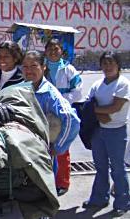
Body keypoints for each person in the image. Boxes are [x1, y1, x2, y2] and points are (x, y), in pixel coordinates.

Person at [82, 52, 130, 216]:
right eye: (105, 63)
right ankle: (99, 198)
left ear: (118, 65)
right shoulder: (97, 84)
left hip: (116, 131)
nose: (108, 67)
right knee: (100, 167)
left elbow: (115, 108)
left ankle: (123, 202)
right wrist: (102, 114)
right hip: (99, 131)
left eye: (111, 63)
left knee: (118, 168)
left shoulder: (123, 84)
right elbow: (88, 105)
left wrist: (96, 111)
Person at [21, 50, 80, 165]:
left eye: (34, 66)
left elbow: (71, 120)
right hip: (24, 150)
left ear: (43, 67)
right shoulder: (20, 89)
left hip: (43, 156)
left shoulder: (50, 94)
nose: (29, 70)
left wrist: (57, 147)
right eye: (25, 66)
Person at [44, 38, 83, 196]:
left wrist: (59, 100)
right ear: (45, 51)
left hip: (63, 116)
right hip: (44, 115)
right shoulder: (41, 67)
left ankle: (62, 183)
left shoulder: (69, 69)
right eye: (50, 49)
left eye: (56, 49)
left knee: (62, 149)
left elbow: (78, 92)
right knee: (43, 149)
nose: (53, 52)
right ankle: (47, 181)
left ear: (62, 51)